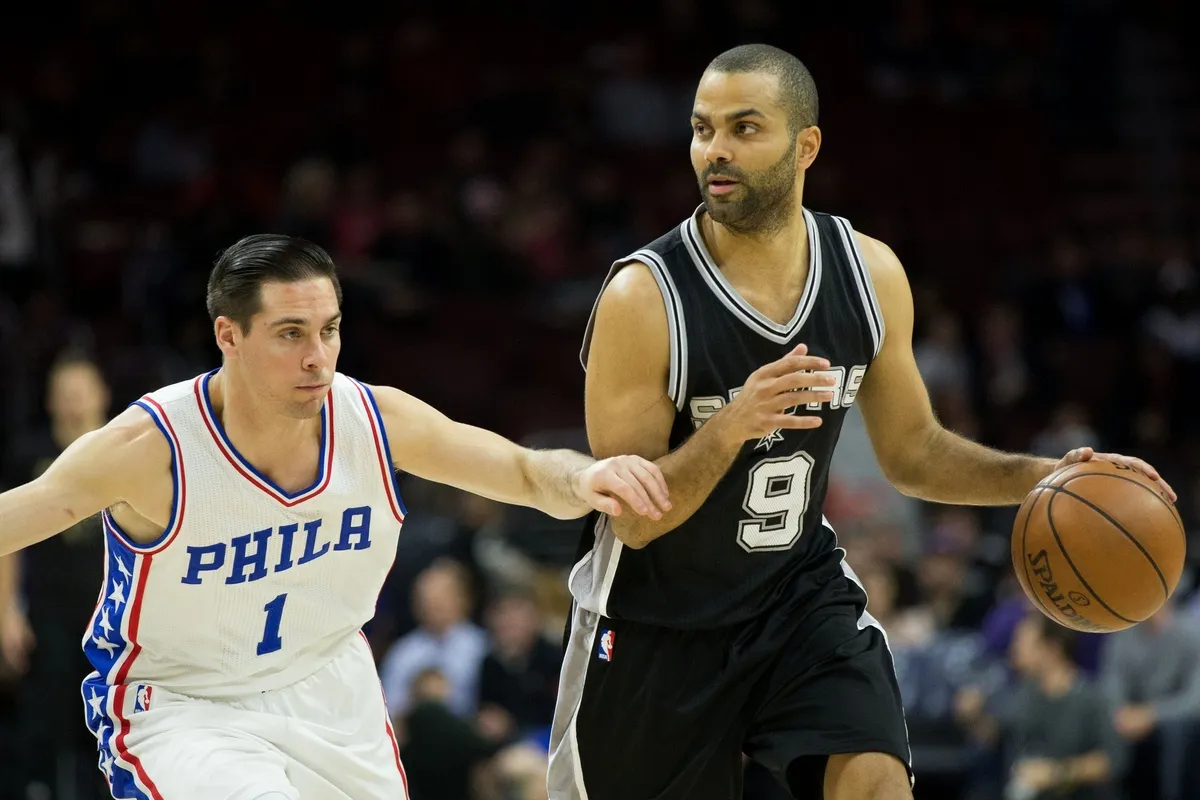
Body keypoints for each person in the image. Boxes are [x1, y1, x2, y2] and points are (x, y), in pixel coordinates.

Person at [548, 43, 1174, 800]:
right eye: (702, 128)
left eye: (745, 128)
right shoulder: (642, 300)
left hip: (794, 601)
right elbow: (636, 524)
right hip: (657, 626)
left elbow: (913, 454)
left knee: (876, 783)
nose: (715, 149)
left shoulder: (868, 272)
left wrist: (1048, 477)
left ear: (805, 145)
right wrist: (731, 425)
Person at [0, 233, 671, 800]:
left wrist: (586, 475)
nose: (318, 356)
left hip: (331, 686)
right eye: (291, 334)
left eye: (329, 329)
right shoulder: (151, 450)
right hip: (187, 703)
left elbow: (524, 473)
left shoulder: (375, 420)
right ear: (228, 336)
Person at [1, 355, 112, 799]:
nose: (74, 402)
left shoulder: (127, 450)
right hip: (46, 614)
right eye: (65, 393)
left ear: (102, 395)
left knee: (108, 729)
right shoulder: (29, 454)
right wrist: (8, 611)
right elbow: (8, 540)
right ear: (50, 401)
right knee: (46, 726)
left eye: (81, 391)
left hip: (112, 615)